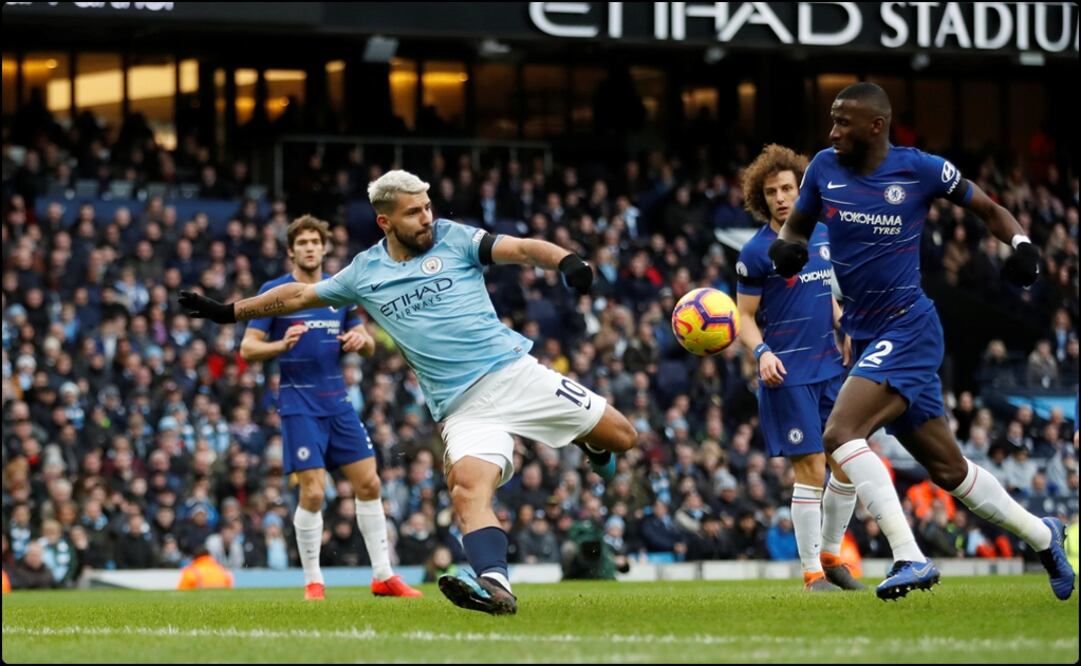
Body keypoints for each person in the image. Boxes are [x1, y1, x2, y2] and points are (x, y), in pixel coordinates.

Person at [180, 170, 638, 616]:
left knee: (624, 437)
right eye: (414, 211)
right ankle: (496, 587)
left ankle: (590, 439)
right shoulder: (365, 272)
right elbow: (298, 296)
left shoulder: (454, 238)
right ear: (385, 221)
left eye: (428, 207)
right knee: (466, 490)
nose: (426, 217)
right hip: (463, 408)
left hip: (515, 374)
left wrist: (565, 260)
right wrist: (227, 312)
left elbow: (517, 248)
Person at [769, 81, 1074, 601]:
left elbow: (990, 209)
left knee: (840, 432)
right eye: (832, 120)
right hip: (866, 336)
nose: (833, 131)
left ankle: (909, 556)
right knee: (950, 470)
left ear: (876, 126)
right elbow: (795, 228)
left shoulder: (922, 169)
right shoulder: (823, 167)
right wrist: (788, 251)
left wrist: (1021, 245)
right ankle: (1045, 536)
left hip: (908, 326)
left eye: (844, 122)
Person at [239, 214, 421, 601]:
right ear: (291, 250)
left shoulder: (339, 289)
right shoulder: (275, 292)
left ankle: (383, 575)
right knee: (315, 492)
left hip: (338, 403)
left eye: (314, 242)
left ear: (324, 248)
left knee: (370, 483)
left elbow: (368, 342)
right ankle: (313, 581)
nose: (309, 248)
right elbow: (247, 348)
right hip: (298, 403)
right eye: (301, 242)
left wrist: (360, 339)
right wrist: (278, 346)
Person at [736, 143, 863, 593]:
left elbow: (827, 291)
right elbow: (743, 316)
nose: (782, 197)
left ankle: (831, 555)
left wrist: (843, 321)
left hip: (831, 368)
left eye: (788, 187)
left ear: (801, 188)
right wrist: (761, 353)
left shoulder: (823, 235)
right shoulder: (756, 252)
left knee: (846, 464)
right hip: (787, 375)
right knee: (810, 467)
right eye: (772, 191)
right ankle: (812, 573)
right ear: (762, 197)